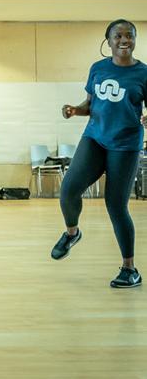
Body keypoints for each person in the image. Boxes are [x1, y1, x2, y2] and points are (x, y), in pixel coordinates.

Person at [51, 19, 147, 288]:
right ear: (109, 41)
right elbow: (90, 105)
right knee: (69, 190)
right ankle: (72, 233)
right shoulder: (98, 68)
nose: (124, 39)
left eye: (129, 35)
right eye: (118, 35)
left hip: (126, 145)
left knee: (116, 206)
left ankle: (130, 269)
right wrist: (74, 110)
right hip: (95, 138)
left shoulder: (143, 73)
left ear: (135, 40)